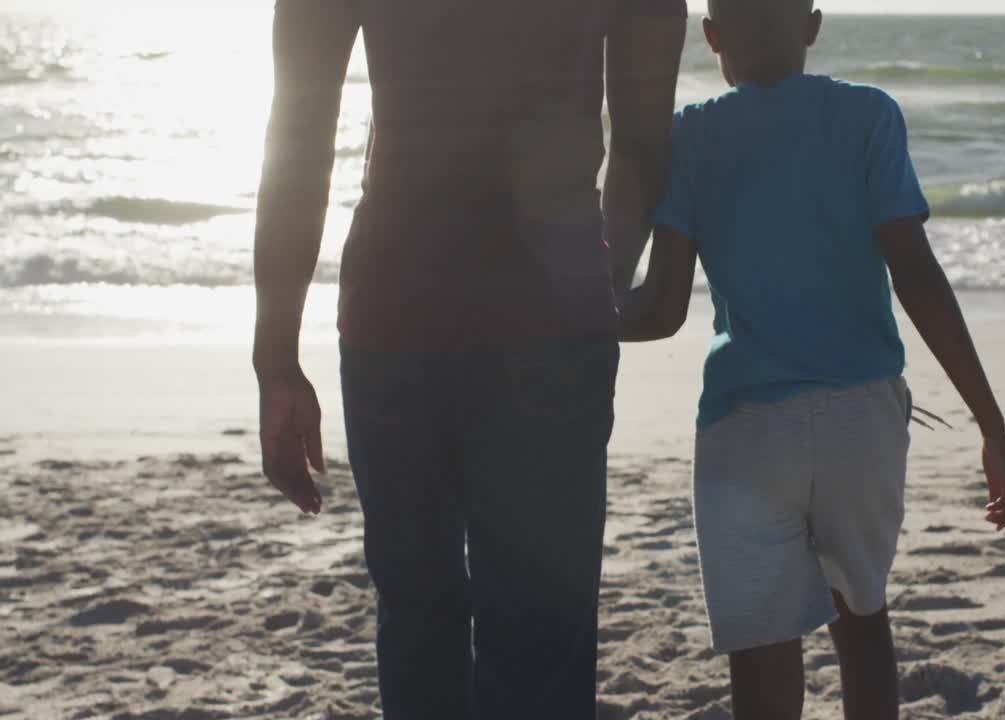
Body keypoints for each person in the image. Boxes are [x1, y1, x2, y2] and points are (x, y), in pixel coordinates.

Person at [252, 1, 686, 717]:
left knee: (419, 618)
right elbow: (643, 143)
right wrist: (602, 282)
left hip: (396, 310)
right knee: (541, 639)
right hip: (550, 320)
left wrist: (276, 361)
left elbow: (299, 140)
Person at [617, 1, 1005, 718]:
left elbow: (661, 309)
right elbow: (916, 274)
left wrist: (564, 318)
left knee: (762, 651)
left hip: (745, 431)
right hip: (861, 418)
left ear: (712, 36)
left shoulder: (695, 134)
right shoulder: (869, 116)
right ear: (812, 23)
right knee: (862, 624)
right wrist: (991, 425)